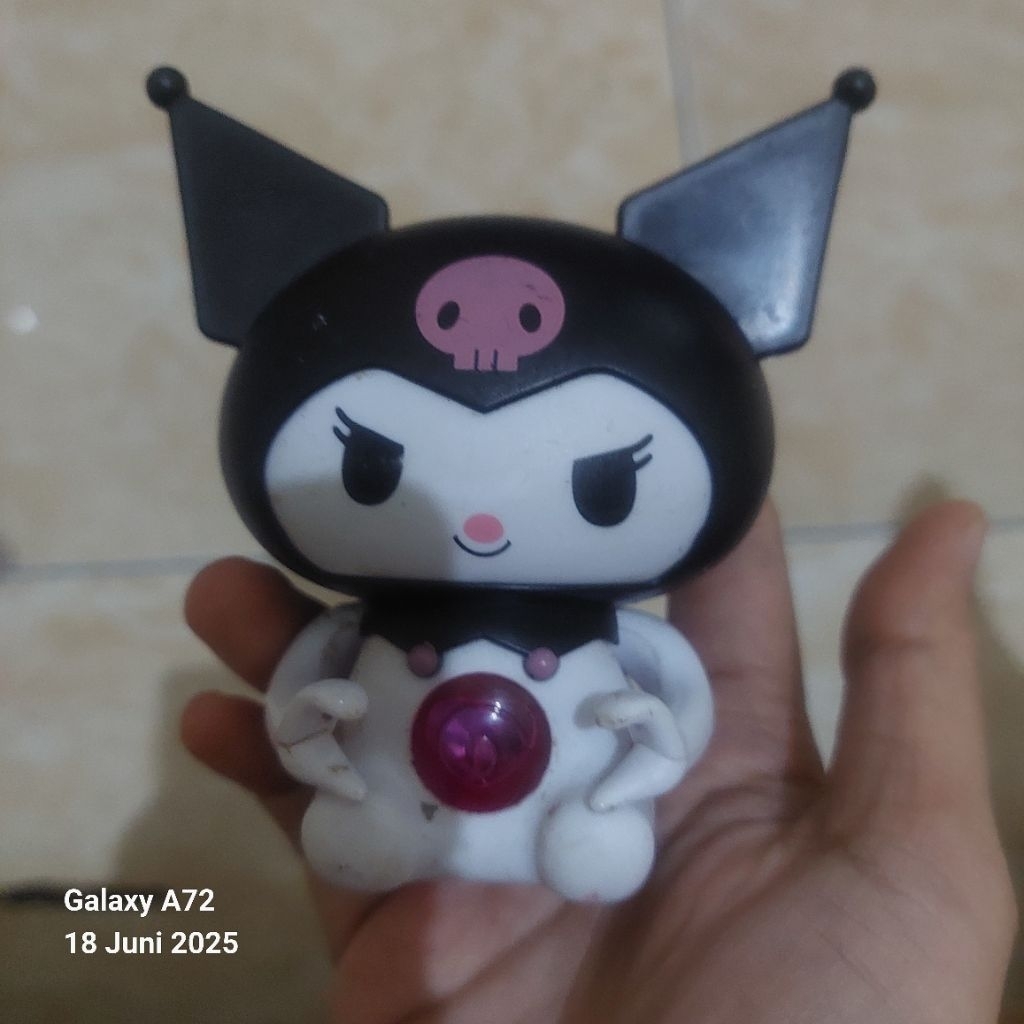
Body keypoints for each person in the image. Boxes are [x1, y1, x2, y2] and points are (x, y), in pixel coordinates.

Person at [181, 499, 1017, 1023]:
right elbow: (298, 693)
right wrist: (307, 733)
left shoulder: (615, 632)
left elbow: (683, 703)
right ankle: (385, 830)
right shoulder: (366, 628)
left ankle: (585, 837)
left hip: (564, 795)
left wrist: (652, 754)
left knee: (600, 849)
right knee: (354, 835)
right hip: (401, 790)